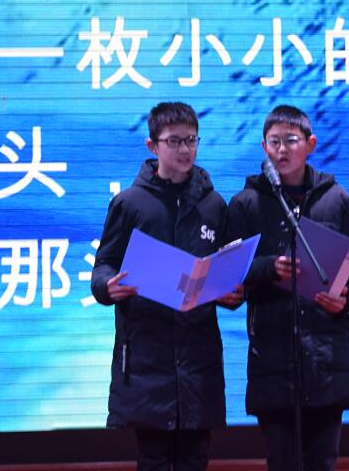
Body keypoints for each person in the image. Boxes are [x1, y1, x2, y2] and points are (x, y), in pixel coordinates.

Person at [90, 102, 240, 470]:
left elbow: (227, 269)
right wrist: (108, 286)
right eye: (174, 141)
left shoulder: (214, 205)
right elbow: (104, 265)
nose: (185, 149)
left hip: (198, 358)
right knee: (153, 459)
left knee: (195, 459)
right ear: (152, 145)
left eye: (191, 140)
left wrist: (234, 292)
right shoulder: (130, 203)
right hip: (148, 358)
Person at [226, 104, 349, 471]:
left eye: (291, 140)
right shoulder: (246, 203)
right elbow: (228, 271)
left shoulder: (336, 198)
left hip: (326, 354)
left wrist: (347, 296)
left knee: (323, 460)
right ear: (263, 147)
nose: (282, 150)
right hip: (272, 355)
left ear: (311, 144)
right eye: (274, 142)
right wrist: (268, 268)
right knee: (282, 460)